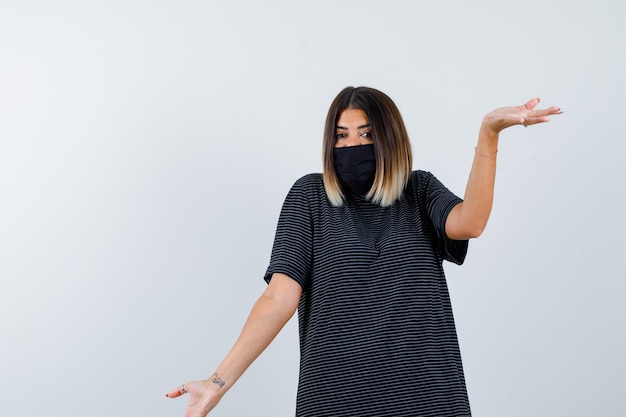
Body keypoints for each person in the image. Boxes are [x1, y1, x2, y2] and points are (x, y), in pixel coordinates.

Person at [166, 86, 562, 416]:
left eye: (366, 133)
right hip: (335, 400)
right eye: (341, 135)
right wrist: (218, 383)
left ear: (389, 138)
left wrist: (488, 134)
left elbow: (470, 222)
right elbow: (278, 296)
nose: (352, 144)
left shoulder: (419, 191)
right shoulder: (310, 197)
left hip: (428, 398)